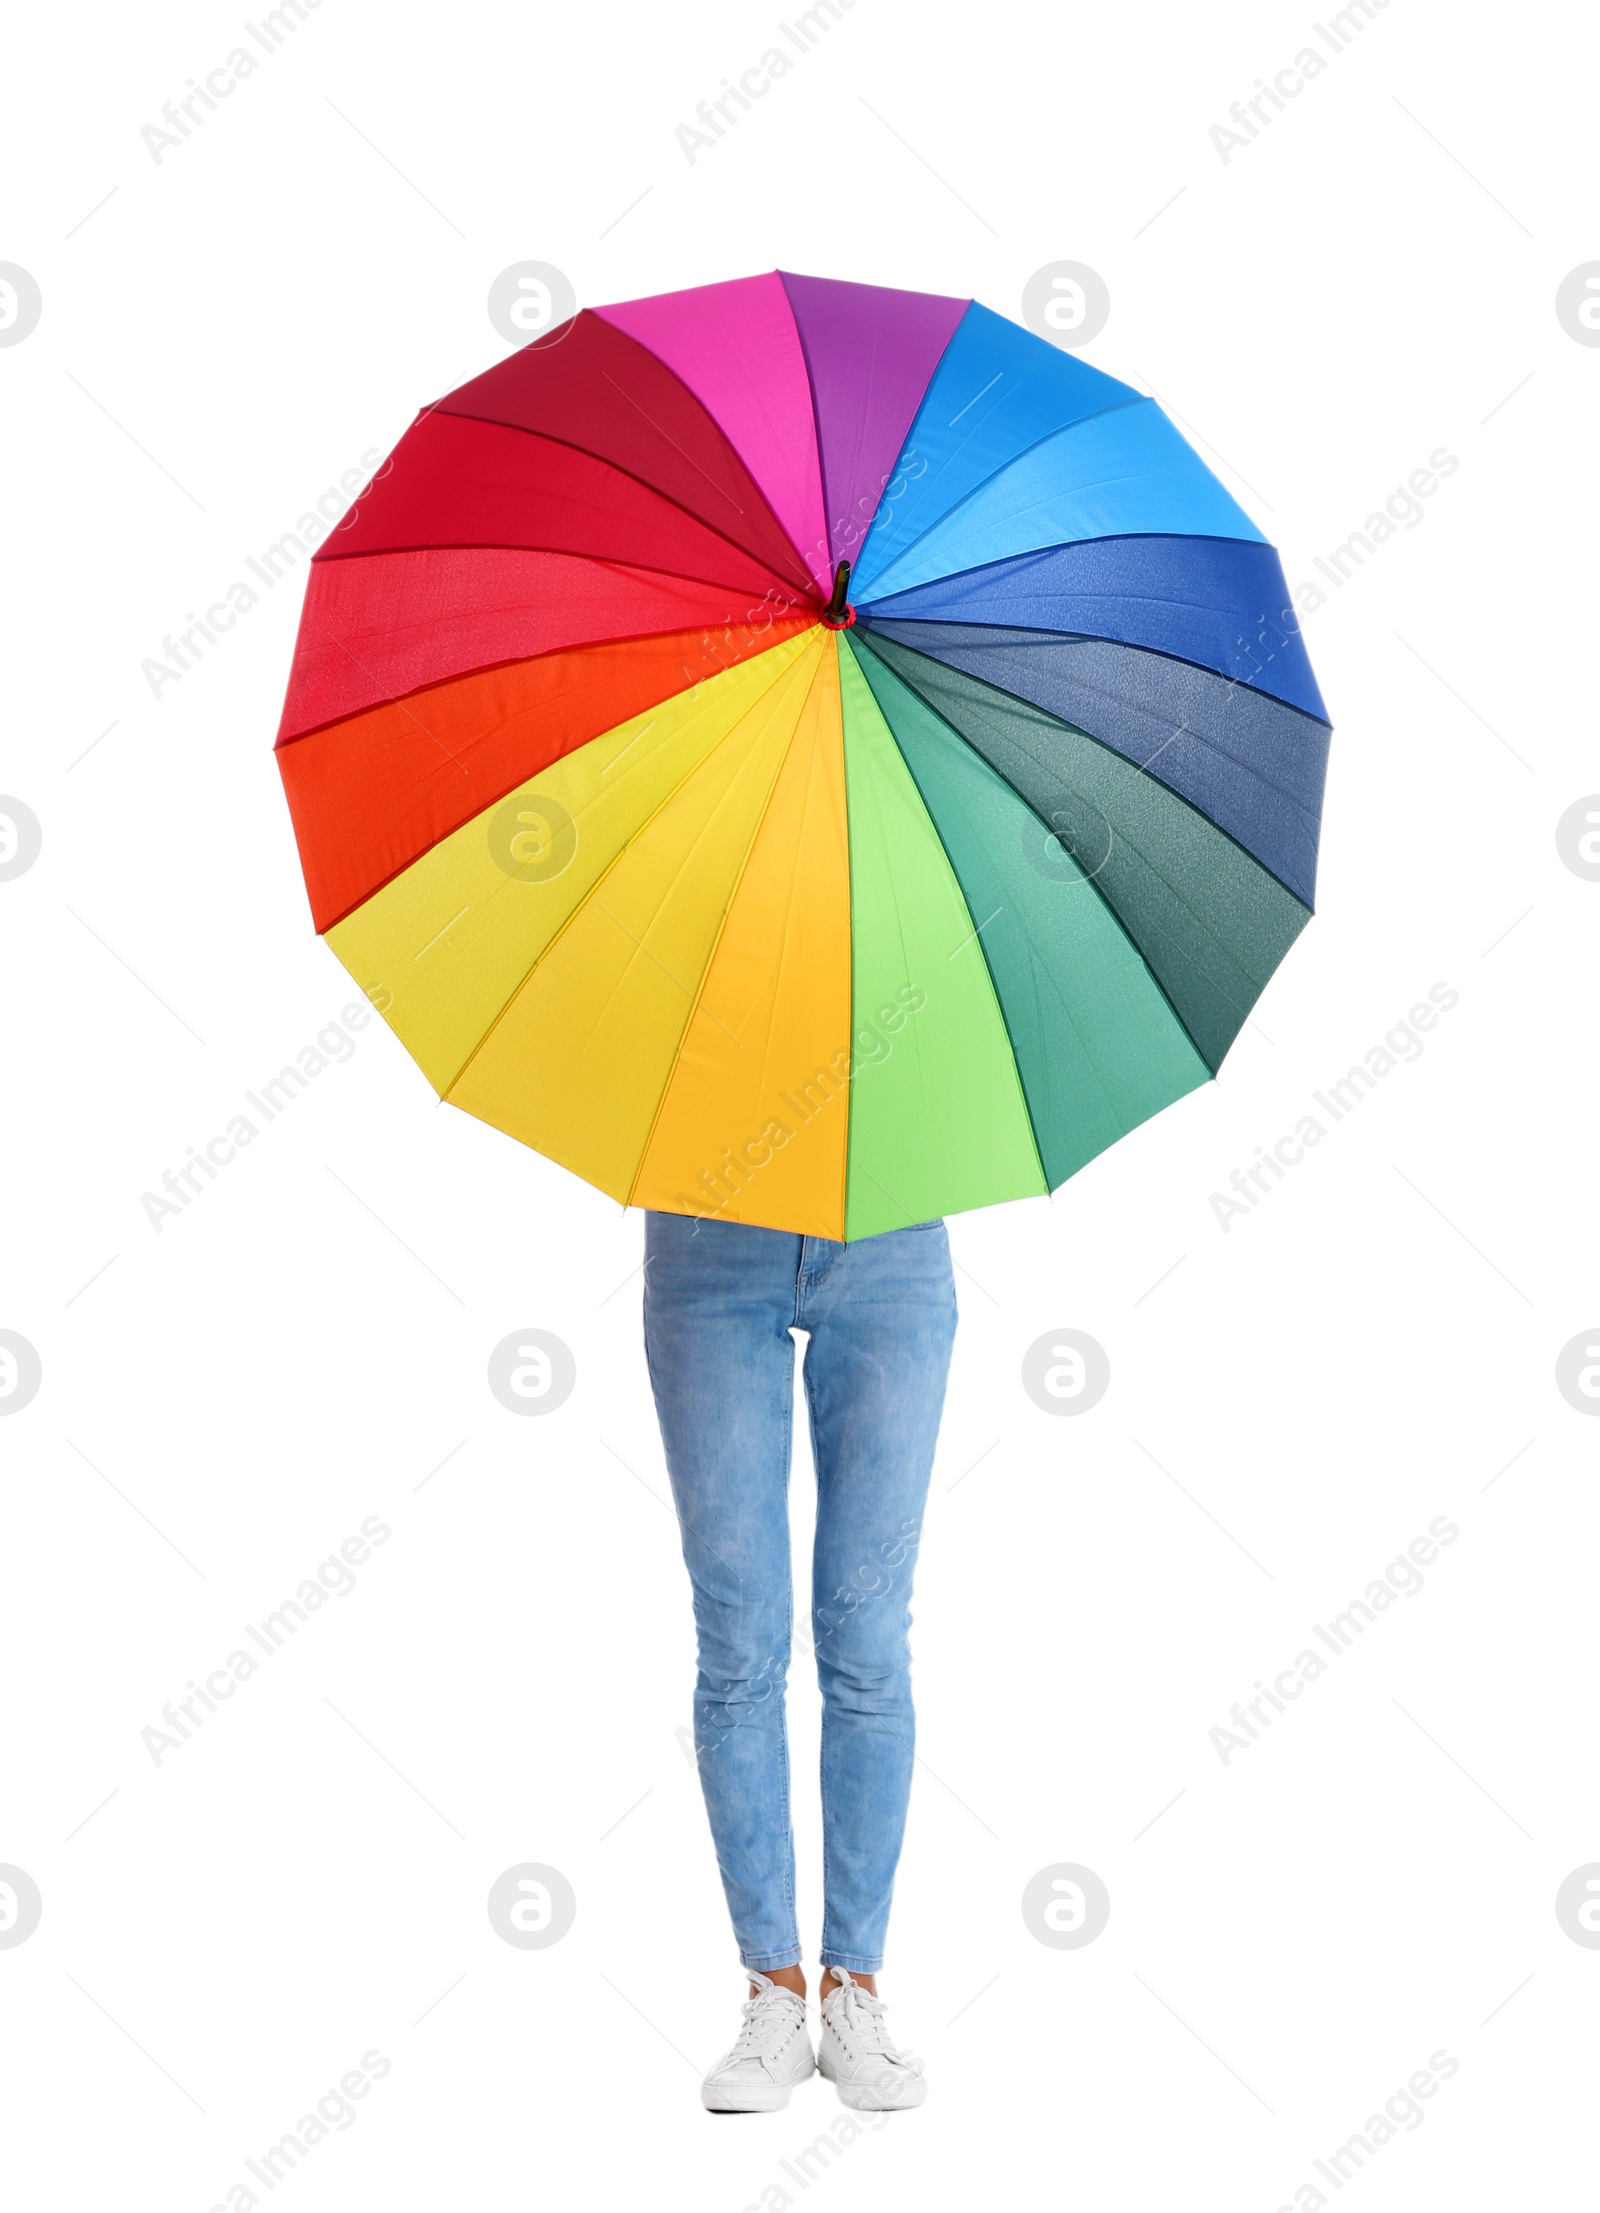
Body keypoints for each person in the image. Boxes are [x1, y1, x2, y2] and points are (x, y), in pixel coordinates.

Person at [642, 1207, 959, 2113]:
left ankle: (852, 1986)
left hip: (891, 1232)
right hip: (711, 1234)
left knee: (866, 1644)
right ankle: (773, 1989)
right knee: (740, 1641)